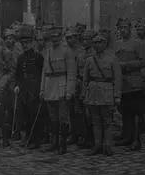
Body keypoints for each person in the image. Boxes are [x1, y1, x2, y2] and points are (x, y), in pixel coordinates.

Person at [83, 30, 122, 156]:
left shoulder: (112, 59)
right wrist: (84, 94)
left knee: (107, 120)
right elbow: (85, 79)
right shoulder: (89, 60)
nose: (97, 45)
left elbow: (117, 78)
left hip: (107, 92)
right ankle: (97, 145)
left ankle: (108, 146)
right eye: (95, 43)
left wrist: (117, 96)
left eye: (100, 43)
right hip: (93, 93)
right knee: (95, 121)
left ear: (105, 44)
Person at [40, 25, 77, 155]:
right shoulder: (48, 51)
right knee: (53, 118)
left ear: (61, 36)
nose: (54, 38)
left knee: (63, 117)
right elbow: (44, 72)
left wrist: (69, 91)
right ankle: (54, 143)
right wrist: (42, 89)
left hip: (62, 87)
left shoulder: (67, 51)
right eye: (52, 36)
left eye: (57, 36)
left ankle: (62, 144)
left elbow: (72, 73)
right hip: (50, 87)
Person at [114, 17, 145, 151]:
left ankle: (136, 139)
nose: (123, 30)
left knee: (136, 113)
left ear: (130, 29)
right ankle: (127, 137)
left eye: (125, 27)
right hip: (122, 83)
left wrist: (126, 65)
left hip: (135, 82)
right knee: (125, 112)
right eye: (120, 28)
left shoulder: (138, 44)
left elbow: (143, 62)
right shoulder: (116, 44)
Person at [14, 24, 44, 149]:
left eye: (27, 42)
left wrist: (41, 89)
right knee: (24, 114)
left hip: (35, 88)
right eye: (23, 43)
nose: (25, 45)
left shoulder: (38, 57)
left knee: (34, 115)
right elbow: (18, 74)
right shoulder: (20, 58)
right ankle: (27, 137)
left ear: (32, 42)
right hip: (24, 89)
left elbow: (42, 73)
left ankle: (36, 140)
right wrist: (17, 85)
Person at [65, 27, 89, 148]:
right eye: (67, 38)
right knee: (71, 111)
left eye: (71, 37)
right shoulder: (66, 51)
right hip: (69, 83)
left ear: (76, 37)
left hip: (80, 82)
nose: (69, 40)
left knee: (81, 111)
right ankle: (73, 133)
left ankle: (83, 135)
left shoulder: (82, 51)